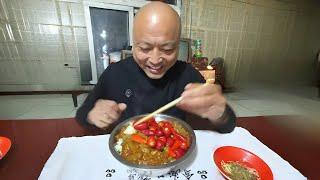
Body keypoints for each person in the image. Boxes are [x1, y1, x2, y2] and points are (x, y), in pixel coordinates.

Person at [76, 1, 236, 133]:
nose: (155, 60)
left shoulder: (187, 74)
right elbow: (81, 114)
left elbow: (229, 125)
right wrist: (92, 114)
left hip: (171, 148)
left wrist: (219, 114)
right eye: (145, 48)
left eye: (167, 49)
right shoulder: (114, 73)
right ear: (133, 45)